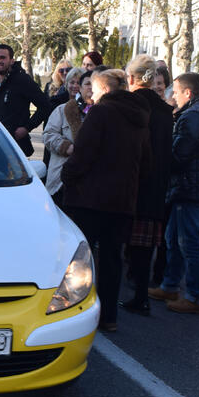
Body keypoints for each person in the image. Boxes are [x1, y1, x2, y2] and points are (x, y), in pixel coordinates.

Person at [62, 68, 151, 332]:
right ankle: (108, 315)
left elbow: (84, 153)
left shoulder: (101, 112)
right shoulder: (141, 117)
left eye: (96, 89)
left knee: (80, 260)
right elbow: (147, 162)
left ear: (106, 89)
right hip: (122, 200)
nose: (93, 95)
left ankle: (74, 313)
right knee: (112, 260)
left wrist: (68, 176)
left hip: (90, 199)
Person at [148, 72, 199, 314]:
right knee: (173, 238)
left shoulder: (192, 117)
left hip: (191, 187)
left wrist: (159, 155)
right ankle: (170, 285)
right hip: (192, 185)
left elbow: (179, 155)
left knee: (189, 243)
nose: (173, 96)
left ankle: (196, 296)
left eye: (177, 92)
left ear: (188, 93)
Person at [120, 56, 173, 316]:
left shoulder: (131, 105)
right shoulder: (165, 110)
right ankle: (141, 294)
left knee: (124, 244)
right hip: (157, 185)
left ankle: (132, 297)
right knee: (145, 247)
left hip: (132, 183)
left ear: (132, 79)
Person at [0, 44, 51, 156]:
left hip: (16, 146)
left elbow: (45, 106)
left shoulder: (22, 80)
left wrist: (26, 128)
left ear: (12, 61)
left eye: (3, 57)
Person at [43, 67, 86, 205]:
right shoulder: (60, 109)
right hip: (59, 180)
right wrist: (65, 147)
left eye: (78, 82)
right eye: (71, 82)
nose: (74, 86)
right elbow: (48, 135)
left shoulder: (94, 111)